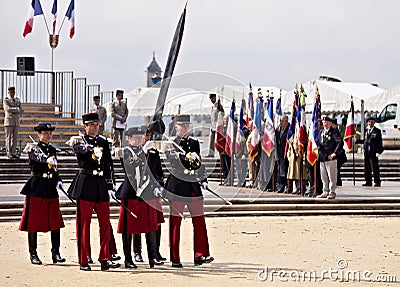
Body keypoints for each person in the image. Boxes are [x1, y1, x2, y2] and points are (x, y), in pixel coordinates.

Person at [66, 112, 120, 271]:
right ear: (85, 126)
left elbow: (109, 165)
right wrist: (91, 150)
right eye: (92, 125)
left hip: (101, 185)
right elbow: (81, 153)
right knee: (84, 225)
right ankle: (83, 259)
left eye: (97, 125)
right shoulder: (79, 141)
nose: (96, 128)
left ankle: (105, 257)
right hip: (86, 184)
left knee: (105, 224)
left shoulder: (103, 141)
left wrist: (110, 185)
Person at [165, 114, 214, 268]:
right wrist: (185, 158)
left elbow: (199, 164)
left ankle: (200, 254)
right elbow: (173, 161)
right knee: (175, 223)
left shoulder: (194, 143)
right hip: (178, 186)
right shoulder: (171, 144)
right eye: (182, 126)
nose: (185, 128)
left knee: (199, 222)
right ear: (176, 127)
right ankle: (175, 257)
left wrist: (203, 179)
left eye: (187, 125)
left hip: (193, 186)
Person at [116, 126, 164, 268]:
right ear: (129, 139)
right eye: (136, 137)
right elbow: (130, 167)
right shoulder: (126, 151)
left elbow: (152, 171)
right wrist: (144, 152)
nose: (139, 139)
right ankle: (128, 258)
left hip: (146, 191)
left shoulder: (149, 152)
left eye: (140, 137)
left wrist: (157, 187)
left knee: (150, 225)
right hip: (131, 191)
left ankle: (152, 256)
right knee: (128, 227)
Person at [19, 122, 65, 265]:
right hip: (37, 187)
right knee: (33, 223)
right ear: (39, 135)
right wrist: (46, 160)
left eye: (50, 133)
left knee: (55, 222)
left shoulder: (52, 149)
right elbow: (34, 160)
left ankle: (55, 253)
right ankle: (33, 254)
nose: (48, 135)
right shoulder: (33, 148)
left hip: (50, 187)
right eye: (45, 133)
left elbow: (54, 168)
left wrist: (58, 180)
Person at [317, 116, 343, 199]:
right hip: (322, 157)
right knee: (323, 176)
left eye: (327, 122)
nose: (325, 123)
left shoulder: (334, 132)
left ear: (330, 123)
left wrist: (334, 153)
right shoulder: (320, 132)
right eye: (324, 122)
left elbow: (339, 143)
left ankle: (332, 192)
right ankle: (325, 191)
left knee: (332, 176)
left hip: (330, 157)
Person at [360, 117, 384, 187]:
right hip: (366, 151)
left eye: (372, 122)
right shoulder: (366, 130)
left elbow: (379, 142)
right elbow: (365, 140)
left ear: (374, 123)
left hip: (373, 152)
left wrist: (378, 151)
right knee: (367, 167)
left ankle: (377, 181)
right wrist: (357, 141)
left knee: (375, 167)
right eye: (369, 122)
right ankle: (368, 181)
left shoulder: (377, 131)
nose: (370, 123)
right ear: (367, 123)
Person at [3, 85, 24, 159]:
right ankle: (9, 152)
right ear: (8, 92)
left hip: (16, 122)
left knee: (15, 138)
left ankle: (13, 152)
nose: (12, 93)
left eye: (13, 92)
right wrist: (16, 110)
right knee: (8, 138)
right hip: (9, 122)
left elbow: (22, 110)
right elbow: (7, 109)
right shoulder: (6, 100)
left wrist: (15, 110)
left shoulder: (17, 100)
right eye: (10, 92)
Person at [275, 115, 289, 193]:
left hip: (286, 152)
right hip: (279, 152)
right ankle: (280, 186)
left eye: (283, 121)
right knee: (280, 170)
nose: (281, 122)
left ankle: (287, 186)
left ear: (286, 121)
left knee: (286, 170)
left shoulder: (290, 129)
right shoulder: (278, 129)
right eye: (280, 121)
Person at [331, 118, 346, 186]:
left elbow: (339, 143)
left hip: (338, 154)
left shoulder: (335, 131)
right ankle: (338, 181)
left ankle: (338, 181)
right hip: (336, 154)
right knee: (336, 169)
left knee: (336, 169)